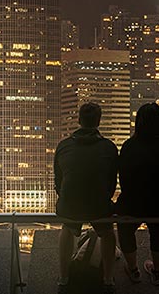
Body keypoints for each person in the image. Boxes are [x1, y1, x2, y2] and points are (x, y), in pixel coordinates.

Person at [54, 102, 119, 294]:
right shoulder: (108, 147)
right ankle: (108, 280)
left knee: (67, 228)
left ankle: (64, 279)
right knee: (107, 233)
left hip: (69, 206)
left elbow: (59, 181)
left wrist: (66, 199)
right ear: (98, 121)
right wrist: (103, 198)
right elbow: (111, 182)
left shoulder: (63, 146)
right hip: (99, 205)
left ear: (79, 120)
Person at [116, 103, 159, 286]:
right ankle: (157, 272)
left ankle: (133, 270)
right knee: (158, 231)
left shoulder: (129, 146)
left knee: (126, 230)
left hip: (132, 203)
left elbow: (124, 179)